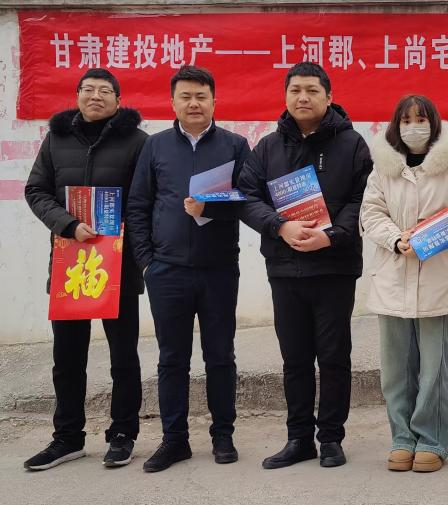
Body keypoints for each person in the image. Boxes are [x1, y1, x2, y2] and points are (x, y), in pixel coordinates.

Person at [238, 61, 373, 470]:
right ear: (285, 96)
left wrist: (332, 235)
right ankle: (298, 439)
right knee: (294, 359)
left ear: (328, 97)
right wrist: (279, 226)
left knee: (334, 357)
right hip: (285, 269)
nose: (303, 97)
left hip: (334, 267)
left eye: (312, 90)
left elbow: (364, 199)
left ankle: (330, 438)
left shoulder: (352, 144)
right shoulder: (268, 147)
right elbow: (247, 195)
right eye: (295, 90)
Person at [127, 65, 252, 473]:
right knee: (172, 359)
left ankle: (223, 435)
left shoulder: (235, 145)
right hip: (167, 271)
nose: (194, 103)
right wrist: (147, 261)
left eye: (201, 96)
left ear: (214, 100)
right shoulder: (156, 146)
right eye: (186, 96)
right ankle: (174, 440)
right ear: (173, 102)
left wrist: (209, 207)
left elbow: (249, 200)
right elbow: (138, 204)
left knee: (220, 356)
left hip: (218, 270)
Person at [23, 69, 147, 471]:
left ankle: (123, 434)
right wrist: (67, 224)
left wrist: (125, 234)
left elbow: (146, 197)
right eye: (88, 89)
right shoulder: (56, 139)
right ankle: (67, 437)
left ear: (118, 100)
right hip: (71, 264)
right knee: (67, 357)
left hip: (118, 264)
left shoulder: (137, 142)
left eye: (105, 91)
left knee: (123, 356)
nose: (96, 96)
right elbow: (36, 190)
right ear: (77, 96)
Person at [359, 95, 448, 473]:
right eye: (406, 120)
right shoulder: (383, 169)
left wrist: (424, 238)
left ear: (433, 123)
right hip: (393, 277)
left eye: (421, 119)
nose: (413, 127)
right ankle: (402, 438)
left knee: (433, 370)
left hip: (440, 279)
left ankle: (432, 439)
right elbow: (371, 213)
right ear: (397, 125)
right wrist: (396, 239)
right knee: (395, 369)